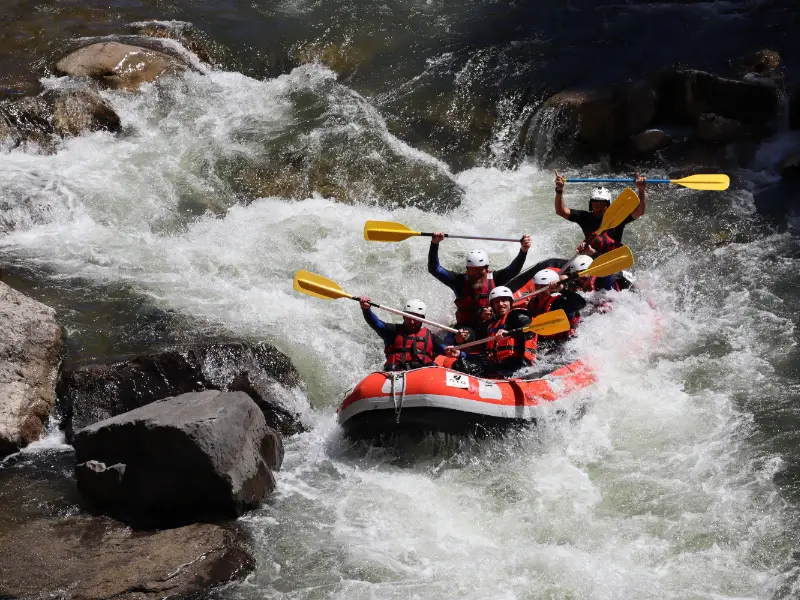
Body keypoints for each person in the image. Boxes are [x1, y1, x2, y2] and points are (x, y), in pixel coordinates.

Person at [428, 231, 532, 342]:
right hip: (467, 328)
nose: (476, 275)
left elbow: (513, 269)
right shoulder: (458, 281)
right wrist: (435, 243)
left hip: (493, 325)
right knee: (466, 337)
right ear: (467, 270)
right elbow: (435, 269)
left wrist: (523, 250)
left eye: (480, 271)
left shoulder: (495, 278)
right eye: (473, 272)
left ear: (487, 269)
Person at [446, 286, 537, 378]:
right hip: (499, 367)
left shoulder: (516, 315)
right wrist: (460, 354)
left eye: (504, 300)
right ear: (493, 305)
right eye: (497, 302)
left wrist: (509, 334)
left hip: (518, 366)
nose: (501, 304)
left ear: (510, 302)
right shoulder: (491, 326)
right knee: (460, 364)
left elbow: (530, 330)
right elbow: (485, 357)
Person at [553, 171, 647, 253]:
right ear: (591, 205)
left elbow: (640, 212)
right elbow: (560, 211)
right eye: (595, 204)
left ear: (609, 205)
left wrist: (641, 190)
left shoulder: (619, 217)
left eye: (602, 205)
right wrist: (559, 190)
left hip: (612, 258)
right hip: (591, 257)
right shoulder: (585, 217)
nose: (598, 208)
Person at [360, 297, 458, 371]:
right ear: (404, 317)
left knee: (433, 366)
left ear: (422, 319)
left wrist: (451, 348)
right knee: (391, 367)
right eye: (409, 318)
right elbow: (376, 324)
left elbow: (445, 350)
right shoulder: (392, 331)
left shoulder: (430, 337)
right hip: (396, 374)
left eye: (416, 319)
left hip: (424, 376)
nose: (412, 322)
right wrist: (366, 310)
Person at [526, 268, 586, 341]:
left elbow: (581, 303)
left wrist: (561, 289)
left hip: (561, 342)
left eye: (543, 286)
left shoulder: (559, 301)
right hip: (543, 339)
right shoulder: (533, 301)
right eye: (537, 286)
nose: (539, 289)